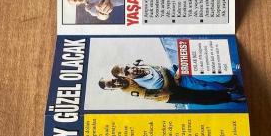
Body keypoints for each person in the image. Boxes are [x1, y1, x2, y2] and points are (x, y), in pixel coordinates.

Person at [101, 60, 245, 105]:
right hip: (171, 92)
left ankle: (229, 85)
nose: (115, 83)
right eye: (112, 85)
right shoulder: (130, 88)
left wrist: (174, 73)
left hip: (172, 75)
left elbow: (160, 68)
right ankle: (231, 94)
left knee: (197, 71)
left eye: (113, 81)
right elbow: (161, 92)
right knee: (200, 95)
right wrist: (172, 81)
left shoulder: (136, 66)